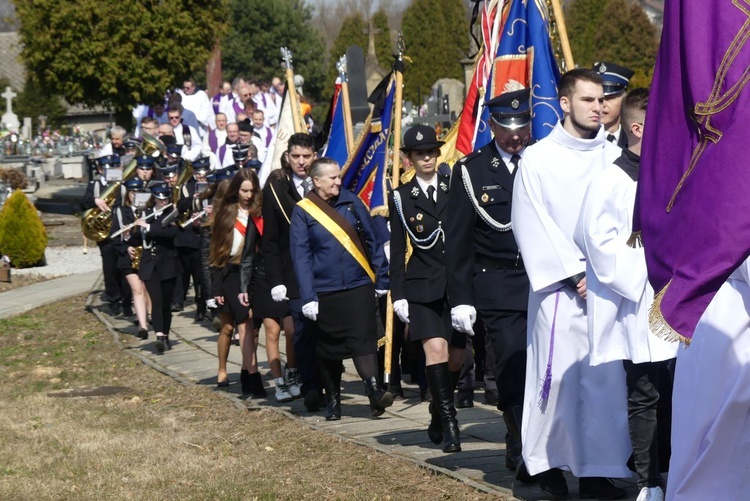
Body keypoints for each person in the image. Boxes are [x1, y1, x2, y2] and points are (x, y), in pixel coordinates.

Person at [511, 68, 629, 500]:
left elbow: (626, 220)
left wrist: (610, 270)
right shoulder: (537, 158)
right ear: (564, 103)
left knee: (604, 381)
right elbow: (531, 221)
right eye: (588, 100)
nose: (599, 107)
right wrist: (575, 271)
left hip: (609, 289)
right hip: (561, 291)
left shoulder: (615, 155)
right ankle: (547, 467)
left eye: (603, 100)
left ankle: (599, 470)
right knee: (557, 381)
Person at [574, 88, 676, 501]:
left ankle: (677, 469)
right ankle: (648, 480)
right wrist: (651, 266)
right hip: (639, 301)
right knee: (645, 390)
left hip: (680, 296)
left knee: (680, 388)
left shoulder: (676, 172)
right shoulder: (611, 180)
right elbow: (597, 242)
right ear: (638, 128)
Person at [444, 88, 532, 475]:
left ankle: (543, 440)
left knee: (547, 366)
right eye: (506, 126)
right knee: (513, 363)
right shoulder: (472, 170)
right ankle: (519, 440)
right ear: (492, 125)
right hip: (498, 283)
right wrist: (460, 298)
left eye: (522, 124)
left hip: (544, 282)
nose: (515, 134)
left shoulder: (543, 160)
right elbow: (458, 239)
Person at [290, 158, 392, 420]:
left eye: (339, 176)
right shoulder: (303, 211)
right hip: (326, 289)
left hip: (358, 284)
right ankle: (333, 399)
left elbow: (372, 239)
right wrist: (308, 295)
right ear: (317, 181)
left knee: (363, 339)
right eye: (332, 178)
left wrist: (381, 278)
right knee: (329, 348)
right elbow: (301, 256)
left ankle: (373, 391)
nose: (338, 181)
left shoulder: (352, 201)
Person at [389, 125, 465, 452]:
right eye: (419, 154)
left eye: (431, 152)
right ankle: (450, 424)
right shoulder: (402, 198)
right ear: (409, 160)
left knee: (457, 358)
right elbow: (396, 248)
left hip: (457, 287)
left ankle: (438, 409)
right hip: (422, 286)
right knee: (435, 350)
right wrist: (398, 294)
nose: (427, 158)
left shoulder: (456, 189)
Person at [262, 133, 319, 411]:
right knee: (300, 332)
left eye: (306, 156)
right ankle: (310, 385)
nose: (301, 162)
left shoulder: (323, 184)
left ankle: (323, 380)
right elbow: (270, 240)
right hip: (292, 273)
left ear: (314, 157)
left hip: (323, 270)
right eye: (295, 156)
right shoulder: (276, 188)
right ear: (287, 157)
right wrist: (275, 280)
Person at [208, 168, 265, 396]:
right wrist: (216, 287)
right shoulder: (226, 214)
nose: (248, 196)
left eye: (252, 191)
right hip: (231, 273)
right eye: (244, 190)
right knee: (237, 323)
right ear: (236, 190)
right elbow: (216, 253)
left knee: (253, 327)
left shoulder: (259, 213)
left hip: (254, 273)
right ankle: (249, 374)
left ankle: (245, 373)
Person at [133, 183, 181, 354]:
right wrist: (129, 239)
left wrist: (148, 227)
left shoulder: (172, 214)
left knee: (166, 303)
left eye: (165, 198)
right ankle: (159, 336)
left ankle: (166, 334)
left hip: (167, 263)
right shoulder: (145, 214)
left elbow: (170, 233)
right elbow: (139, 238)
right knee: (157, 300)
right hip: (150, 264)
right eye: (160, 199)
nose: (163, 201)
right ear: (153, 198)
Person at [80, 154, 129, 316]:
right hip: (104, 234)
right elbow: (83, 203)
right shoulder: (94, 185)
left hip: (121, 231)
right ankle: (114, 301)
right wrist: (95, 201)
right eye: (107, 168)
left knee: (125, 267)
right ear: (100, 170)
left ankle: (127, 301)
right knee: (110, 268)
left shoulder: (122, 185)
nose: (111, 171)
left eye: (115, 168)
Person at [110, 177, 151, 339]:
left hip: (146, 254)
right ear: (128, 194)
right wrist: (125, 247)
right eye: (132, 193)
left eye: (139, 192)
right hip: (128, 257)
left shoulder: (148, 211)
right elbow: (113, 238)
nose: (135, 196)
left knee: (146, 288)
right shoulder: (121, 212)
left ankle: (148, 314)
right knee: (137, 289)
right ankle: (142, 326)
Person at [593, 62, 635, 149]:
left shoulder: (634, 141)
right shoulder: (581, 138)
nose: (602, 104)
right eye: (598, 98)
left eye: (609, 98)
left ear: (624, 100)